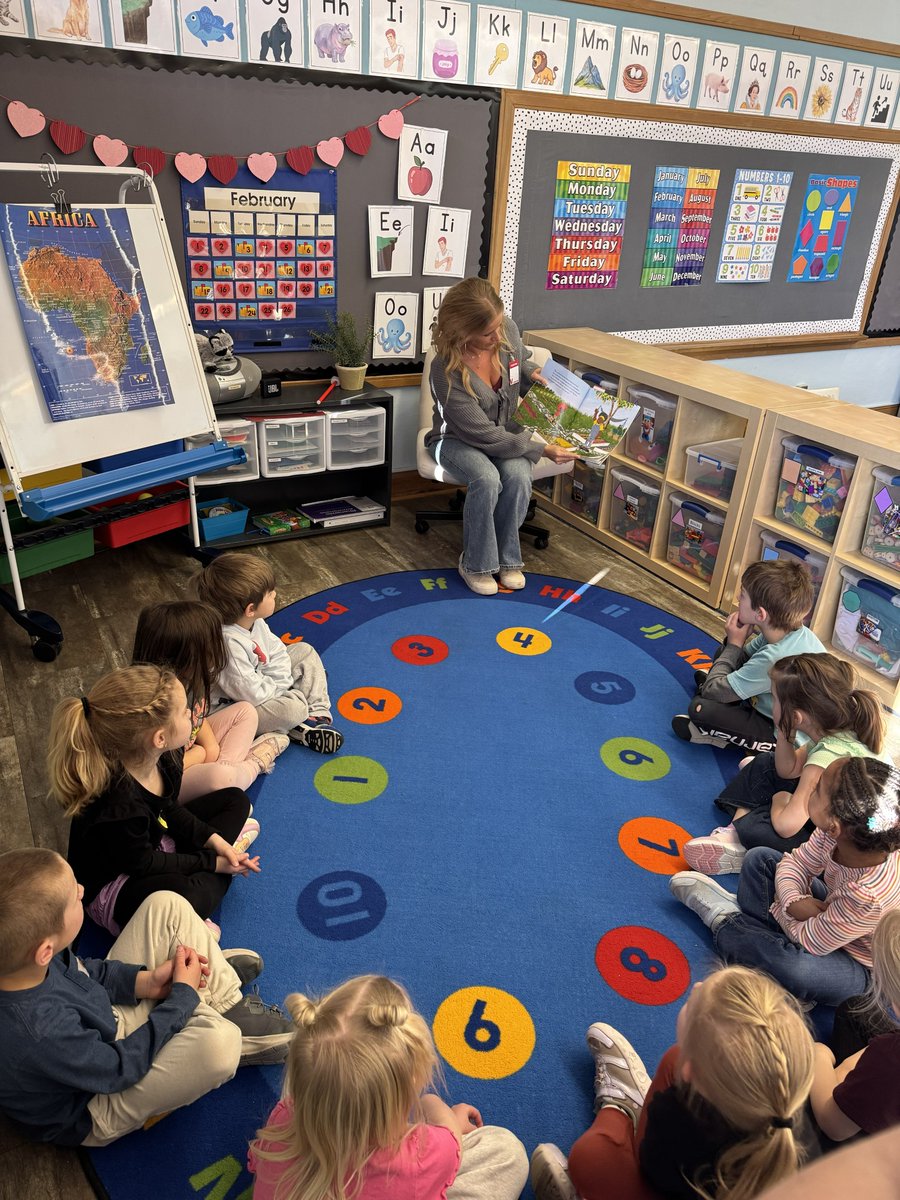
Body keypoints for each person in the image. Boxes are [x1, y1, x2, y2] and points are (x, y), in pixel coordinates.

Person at [0, 848, 293, 1147]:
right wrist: (183, 997)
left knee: (164, 904)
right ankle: (216, 1009)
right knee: (220, 1045)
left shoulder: (26, 963)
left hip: (102, 1027)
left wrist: (145, 982)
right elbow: (117, 1069)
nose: (82, 890)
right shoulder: (39, 1032)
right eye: (73, 897)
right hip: (98, 1096)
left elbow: (85, 972)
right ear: (44, 952)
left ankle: (217, 997)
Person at [529, 966, 817, 1200]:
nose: (697, 987)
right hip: (689, 1171)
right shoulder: (782, 1108)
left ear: (691, 1075)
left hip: (668, 1177)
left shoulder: (674, 1122)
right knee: (673, 1060)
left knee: (590, 1159)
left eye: (695, 1003)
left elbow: (652, 1166)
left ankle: (620, 1105)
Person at [248, 973, 529, 1199]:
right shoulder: (420, 1155)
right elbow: (451, 1137)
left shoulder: (285, 1116)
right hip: (411, 1175)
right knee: (505, 1150)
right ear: (409, 1085)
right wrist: (434, 1105)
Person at [671, 757, 900, 1008]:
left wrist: (785, 907)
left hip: (857, 966)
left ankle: (726, 920)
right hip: (827, 919)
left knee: (797, 967)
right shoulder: (833, 832)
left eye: (818, 788)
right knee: (760, 858)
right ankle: (773, 963)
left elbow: (810, 942)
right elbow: (795, 862)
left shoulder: (868, 895)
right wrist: (794, 900)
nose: (811, 787)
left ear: (835, 826)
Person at [51, 664, 260, 938]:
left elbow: (168, 808)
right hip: (115, 887)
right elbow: (143, 863)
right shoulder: (119, 805)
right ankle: (182, 918)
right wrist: (214, 863)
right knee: (192, 893)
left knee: (236, 800)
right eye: (185, 712)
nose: (192, 715)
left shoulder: (167, 759)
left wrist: (215, 842)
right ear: (160, 737)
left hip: (153, 843)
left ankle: (198, 892)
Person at [426, 277, 575, 596]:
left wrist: (532, 373)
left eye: (499, 325)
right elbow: (482, 435)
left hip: (506, 434)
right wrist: (541, 449)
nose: (499, 335)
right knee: (487, 478)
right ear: (463, 332)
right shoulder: (445, 370)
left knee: (519, 476)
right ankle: (476, 564)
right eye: (487, 333)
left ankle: (508, 560)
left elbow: (517, 360)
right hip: (453, 440)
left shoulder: (506, 328)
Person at [683, 653, 886, 874]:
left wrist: (781, 798)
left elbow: (786, 827)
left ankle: (738, 839)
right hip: (836, 819)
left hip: (839, 850)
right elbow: (787, 770)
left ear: (797, 716)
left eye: (774, 698)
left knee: (756, 827)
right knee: (764, 763)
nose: (772, 703)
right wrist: (784, 734)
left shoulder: (825, 757)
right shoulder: (836, 731)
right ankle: (738, 830)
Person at [132, 600, 289, 806]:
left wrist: (211, 745)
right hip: (171, 782)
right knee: (219, 777)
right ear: (190, 655)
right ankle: (253, 765)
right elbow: (159, 772)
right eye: (214, 643)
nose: (220, 647)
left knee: (246, 711)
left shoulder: (190, 678)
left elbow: (198, 717)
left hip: (193, 751)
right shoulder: (157, 703)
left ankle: (228, 782)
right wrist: (203, 753)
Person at [195, 551, 344, 753]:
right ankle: (300, 724)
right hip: (233, 707)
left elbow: (278, 652)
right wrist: (285, 688)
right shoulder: (228, 644)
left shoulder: (256, 622)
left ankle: (316, 716)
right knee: (293, 707)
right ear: (250, 609)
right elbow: (251, 695)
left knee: (304, 651)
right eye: (270, 593)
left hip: (263, 682)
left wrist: (280, 680)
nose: (275, 594)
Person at [671, 560, 824, 752]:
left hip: (786, 739)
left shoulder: (775, 658)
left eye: (742, 595)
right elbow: (742, 660)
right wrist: (733, 647)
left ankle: (719, 734)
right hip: (767, 706)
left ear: (760, 614)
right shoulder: (786, 632)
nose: (737, 597)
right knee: (726, 653)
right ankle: (723, 690)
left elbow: (713, 691)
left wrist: (735, 644)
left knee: (701, 709)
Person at [809, 907, 900, 1140]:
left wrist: (818, 1055)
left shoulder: (889, 1059)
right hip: (884, 1071)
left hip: (880, 1157)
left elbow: (833, 1126)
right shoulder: (887, 1054)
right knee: (856, 1010)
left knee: (803, 1113)